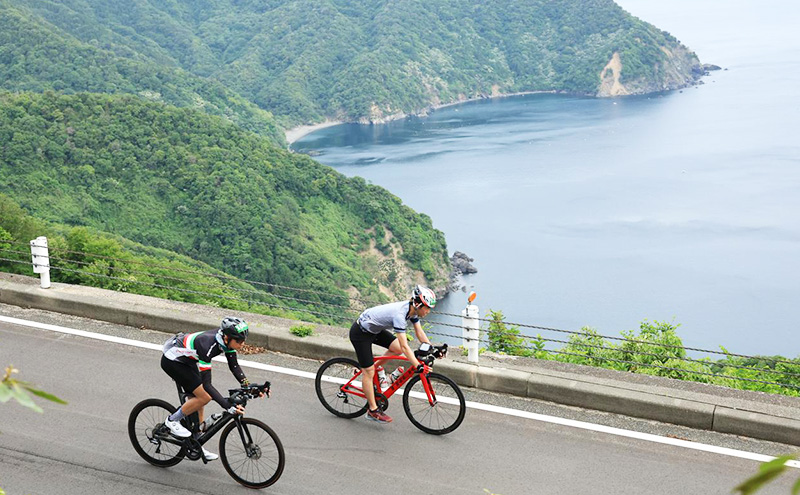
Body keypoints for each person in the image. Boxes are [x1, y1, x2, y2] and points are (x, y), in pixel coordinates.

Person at [160, 316, 260, 461]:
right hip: (173, 360)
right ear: (227, 338)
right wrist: (227, 406)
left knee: (199, 397)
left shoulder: (226, 342)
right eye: (239, 341)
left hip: (187, 359)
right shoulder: (207, 345)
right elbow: (207, 385)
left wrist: (247, 386)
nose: (242, 344)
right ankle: (172, 420)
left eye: (243, 340)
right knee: (204, 396)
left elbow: (234, 367)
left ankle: (197, 441)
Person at [350, 285, 437, 424]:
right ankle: (372, 410)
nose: (428, 311)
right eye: (426, 307)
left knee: (396, 349)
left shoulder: (413, 311)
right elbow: (405, 346)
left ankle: (373, 368)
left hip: (374, 330)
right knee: (369, 372)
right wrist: (417, 365)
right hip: (360, 333)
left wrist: (432, 348)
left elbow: (419, 333)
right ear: (418, 304)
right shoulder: (400, 315)